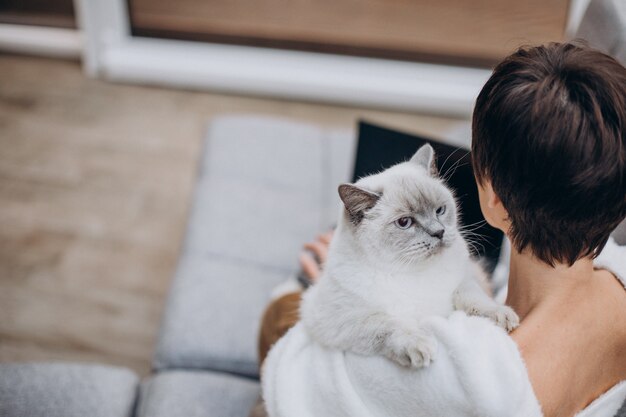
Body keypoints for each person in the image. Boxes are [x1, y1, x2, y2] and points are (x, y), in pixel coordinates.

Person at [253, 42, 626, 417]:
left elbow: (294, 381)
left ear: (494, 199)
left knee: (279, 316)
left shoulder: (465, 372)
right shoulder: (619, 278)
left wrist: (342, 289)